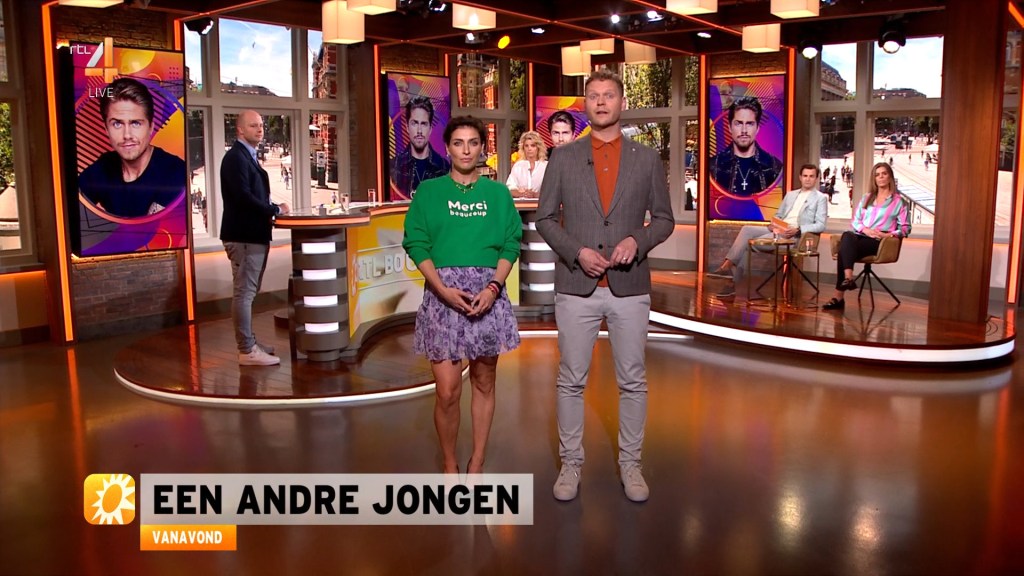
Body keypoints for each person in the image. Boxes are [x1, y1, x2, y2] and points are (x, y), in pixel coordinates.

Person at [536, 69, 674, 503]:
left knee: (632, 381)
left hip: (629, 287)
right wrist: (576, 251)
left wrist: (639, 240)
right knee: (570, 380)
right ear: (585, 104)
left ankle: (631, 465)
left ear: (621, 102)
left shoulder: (646, 159)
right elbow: (544, 219)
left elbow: (665, 220)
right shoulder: (563, 157)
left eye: (608, 95)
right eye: (593, 95)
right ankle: (570, 464)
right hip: (576, 285)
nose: (600, 102)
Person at [402, 116, 523, 475]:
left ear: (483, 148)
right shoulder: (429, 192)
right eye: (458, 143)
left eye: (473, 143)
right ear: (448, 148)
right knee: (447, 391)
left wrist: (493, 287)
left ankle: (477, 460)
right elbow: (416, 241)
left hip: (488, 295)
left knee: (484, 382)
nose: (466, 150)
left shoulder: (498, 194)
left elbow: (511, 243)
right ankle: (449, 462)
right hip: (443, 296)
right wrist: (441, 289)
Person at [220, 109, 291, 366]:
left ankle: (249, 343)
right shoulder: (235, 158)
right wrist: (274, 210)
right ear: (240, 129)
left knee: (248, 292)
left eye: (261, 125)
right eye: (253, 125)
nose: (260, 129)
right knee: (245, 293)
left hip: (252, 235)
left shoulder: (247, 156)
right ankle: (247, 350)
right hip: (244, 236)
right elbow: (243, 198)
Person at [708, 164, 828, 297]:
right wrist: (774, 224)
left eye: (811, 176)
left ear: (816, 178)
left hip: (794, 236)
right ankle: (727, 268)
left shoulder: (820, 198)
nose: (808, 179)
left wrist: (798, 230)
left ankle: (729, 280)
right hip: (778, 229)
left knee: (747, 243)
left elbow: (821, 225)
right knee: (746, 230)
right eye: (805, 176)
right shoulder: (791, 195)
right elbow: (779, 215)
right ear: (800, 177)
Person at [78, 77, 186, 218]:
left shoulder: (175, 172)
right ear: (106, 129)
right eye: (117, 124)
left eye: (136, 123)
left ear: (151, 127)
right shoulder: (104, 166)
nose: (127, 135)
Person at [822, 162, 911, 311]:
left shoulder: (899, 202)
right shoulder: (867, 198)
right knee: (847, 236)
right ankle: (848, 278)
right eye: (877, 175)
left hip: (880, 241)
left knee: (844, 249)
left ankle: (840, 295)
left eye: (884, 174)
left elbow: (905, 228)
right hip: (862, 235)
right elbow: (856, 221)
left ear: (890, 176)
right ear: (874, 179)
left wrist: (887, 234)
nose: (880, 177)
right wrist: (866, 230)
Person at [708, 96, 783, 197]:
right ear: (729, 127)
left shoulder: (774, 167)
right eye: (738, 124)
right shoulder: (713, 166)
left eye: (749, 124)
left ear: (757, 128)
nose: (744, 130)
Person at [390, 96, 450, 200]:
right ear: (407, 127)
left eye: (424, 124)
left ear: (430, 129)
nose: (419, 131)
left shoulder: (444, 167)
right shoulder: (394, 166)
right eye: (414, 123)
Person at [506, 130, 548, 198]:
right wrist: (522, 194)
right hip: (521, 203)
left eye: (533, 146)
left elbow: (551, 190)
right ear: (523, 148)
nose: (529, 149)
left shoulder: (546, 166)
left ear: (538, 147)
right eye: (526, 146)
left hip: (541, 203)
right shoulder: (518, 166)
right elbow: (510, 188)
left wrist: (535, 195)